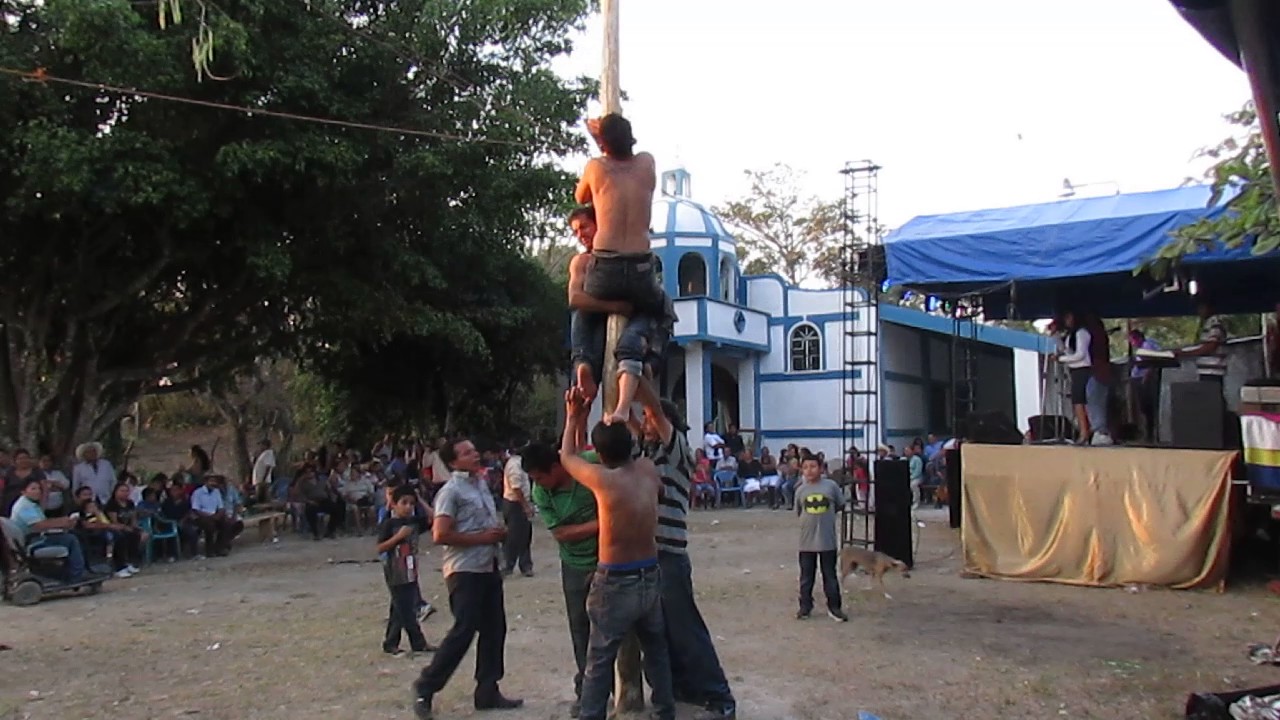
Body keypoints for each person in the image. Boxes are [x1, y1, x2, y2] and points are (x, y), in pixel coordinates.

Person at [559, 387, 676, 720]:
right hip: (650, 572)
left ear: (599, 454)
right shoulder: (648, 472)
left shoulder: (605, 481)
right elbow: (661, 491)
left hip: (616, 578)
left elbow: (567, 457)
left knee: (599, 660)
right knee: (656, 651)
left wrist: (572, 417)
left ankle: (591, 715)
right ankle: (665, 710)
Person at [631, 379, 736, 720]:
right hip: (648, 559)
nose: (644, 424)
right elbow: (627, 425)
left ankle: (719, 696)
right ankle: (681, 687)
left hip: (669, 556)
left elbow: (654, 413)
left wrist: (635, 377)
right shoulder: (645, 456)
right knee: (659, 631)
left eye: (649, 420)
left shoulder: (678, 452)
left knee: (685, 628)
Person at [412, 437, 520, 720]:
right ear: (453, 461)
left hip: (488, 566)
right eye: (467, 452)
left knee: (495, 628)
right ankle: (426, 686)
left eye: (474, 449)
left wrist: (497, 534)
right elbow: (440, 534)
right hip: (464, 570)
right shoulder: (450, 492)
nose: (475, 455)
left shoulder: (480, 484)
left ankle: (487, 688)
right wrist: (482, 538)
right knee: (464, 629)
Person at [574, 113, 671, 425]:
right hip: (641, 267)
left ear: (603, 144)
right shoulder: (647, 162)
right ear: (631, 138)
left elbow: (581, 196)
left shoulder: (595, 167)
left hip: (605, 266)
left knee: (584, 307)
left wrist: (596, 140)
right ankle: (643, 360)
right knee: (659, 309)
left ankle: (583, 360)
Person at [524, 442, 600, 719]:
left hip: (608, 560)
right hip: (574, 565)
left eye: (540, 477)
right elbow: (562, 534)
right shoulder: (541, 492)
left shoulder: (589, 462)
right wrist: (606, 522)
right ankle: (587, 692)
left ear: (556, 467)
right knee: (580, 630)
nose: (538, 484)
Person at [568, 205, 636, 403]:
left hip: (616, 327)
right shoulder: (581, 261)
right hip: (591, 318)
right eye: (576, 231)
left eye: (585, 227)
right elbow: (575, 299)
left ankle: (583, 364)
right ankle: (583, 365)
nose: (581, 235)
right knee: (581, 313)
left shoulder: (620, 257)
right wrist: (614, 306)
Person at [377, 485, 432, 656]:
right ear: (394, 504)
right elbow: (380, 547)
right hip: (395, 568)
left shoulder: (414, 522)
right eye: (404, 503)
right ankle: (417, 642)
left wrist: (420, 499)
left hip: (410, 567)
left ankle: (391, 642)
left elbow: (432, 517)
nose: (408, 507)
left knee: (399, 607)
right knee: (406, 609)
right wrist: (398, 537)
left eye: (411, 503)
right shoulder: (389, 524)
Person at [794, 453, 848, 622]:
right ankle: (805, 606)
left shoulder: (831, 487)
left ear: (821, 468)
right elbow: (799, 511)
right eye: (805, 468)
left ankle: (834, 607)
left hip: (827, 541)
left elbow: (840, 504)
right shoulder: (800, 490)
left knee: (829, 575)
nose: (809, 471)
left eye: (813, 466)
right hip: (806, 542)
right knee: (806, 577)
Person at [9, 477, 90, 581]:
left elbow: (44, 522)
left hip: (37, 537)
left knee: (73, 535)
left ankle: (73, 572)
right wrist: (63, 521)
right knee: (71, 539)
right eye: (33, 489)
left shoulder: (31, 504)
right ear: (23, 491)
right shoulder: (24, 506)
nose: (37, 491)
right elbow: (39, 525)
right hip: (33, 542)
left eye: (39, 489)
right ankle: (76, 575)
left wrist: (64, 522)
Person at [1056, 311, 1094, 444]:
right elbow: (1066, 351)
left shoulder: (1082, 333)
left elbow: (1080, 355)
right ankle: (1084, 430)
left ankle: (1085, 431)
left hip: (1083, 369)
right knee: (1077, 402)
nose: (1067, 320)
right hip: (1074, 370)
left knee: (1080, 402)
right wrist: (1055, 337)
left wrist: (1061, 359)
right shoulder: (1070, 335)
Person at [1177, 298, 1229, 389]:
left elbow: (1210, 346)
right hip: (1206, 370)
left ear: (1209, 308)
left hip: (1213, 370)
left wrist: (1186, 353)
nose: (1199, 311)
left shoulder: (1215, 322)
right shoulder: (1207, 323)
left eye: (1201, 308)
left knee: (1212, 398)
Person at [500, 450, 534, 578]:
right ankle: (509, 564)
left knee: (524, 535)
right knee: (514, 537)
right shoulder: (515, 465)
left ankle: (524, 565)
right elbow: (516, 488)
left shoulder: (517, 463)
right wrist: (525, 506)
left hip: (516, 502)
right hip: (515, 504)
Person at [190, 474, 234, 557]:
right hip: (201, 517)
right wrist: (209, 516)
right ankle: (209, 550)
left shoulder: (216, 492)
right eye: (211, 481)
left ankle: (220, 548)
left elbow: (221, 507)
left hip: (214, 515)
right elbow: (195, 509)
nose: (213, 483)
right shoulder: (198, 493)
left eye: (214, 481)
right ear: (205, 482)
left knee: (226, 524)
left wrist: (218, 515)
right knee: (210, 525)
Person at [1128, 329, 1160, 442]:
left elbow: (1152, 362)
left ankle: (1150, 433)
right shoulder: (1141, 348)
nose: (1132, 343)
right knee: (1142, 407)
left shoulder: (1148, 346)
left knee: (1147, 407)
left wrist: (1146, 376)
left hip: (1144, 380)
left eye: (1132, 340)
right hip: (1137, 378)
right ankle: (1146, 432)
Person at [252, 439, 276, 504]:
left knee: (262, 496)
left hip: (262, 480)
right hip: (259, 479)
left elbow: (268, 466)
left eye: (261, 445)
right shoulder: (263, 454)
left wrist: (264, 478)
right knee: (260, 496)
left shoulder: (268, 453)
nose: (260, 447)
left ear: (265, 445)